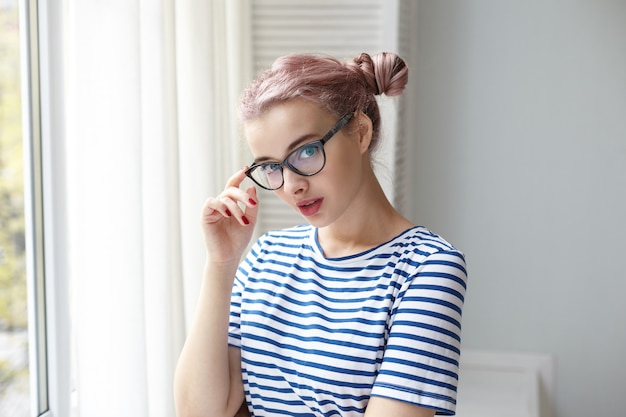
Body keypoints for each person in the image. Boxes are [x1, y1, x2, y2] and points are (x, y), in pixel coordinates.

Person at [174, 52, 468, 417]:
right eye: (271, 167)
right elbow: (197, 412)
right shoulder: (266, 256)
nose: (292, 185)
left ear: (360, 132)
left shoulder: (427, 267)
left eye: (307, 151)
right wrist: (221, 263)